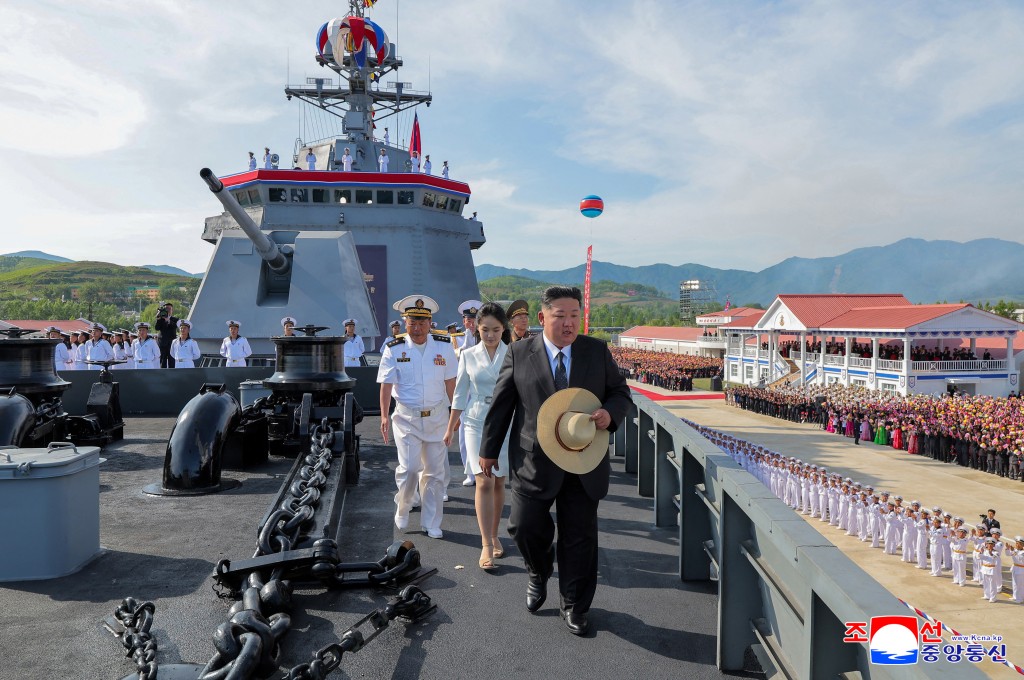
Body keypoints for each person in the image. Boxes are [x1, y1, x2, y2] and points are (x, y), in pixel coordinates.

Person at [479, 286, 632, 636]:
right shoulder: (519, 352)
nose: (569, 323)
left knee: (580, 536)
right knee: (523, 526)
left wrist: (610, 413)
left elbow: (620, 392)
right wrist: (488, 449)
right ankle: (538, 570)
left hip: (583, 458)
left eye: (574, 315)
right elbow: (502, 405)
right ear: (542, 317)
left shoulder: (595, 351)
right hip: (534, 460)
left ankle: (574, 605)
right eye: (560, 315)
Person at [376, 295, 457, 539]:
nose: (417, 328)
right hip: (406, 419)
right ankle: (403, 505)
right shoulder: (394, 348)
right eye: (413, 322)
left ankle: (431, 522)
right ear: (405, 322)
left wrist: (455, 415)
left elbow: (451, 382)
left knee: (434, 474)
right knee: (410, 469)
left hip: (436, 418)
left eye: (422, 323)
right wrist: (383, 416)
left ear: (430, 323)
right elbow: (386, 385)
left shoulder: (444, 346)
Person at [444, 302, 512, 570]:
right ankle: (485, 544)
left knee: (498, 482)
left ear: (503, 329)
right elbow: (460, 393)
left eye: (495, 330)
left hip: (505, 422)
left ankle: (495, 535)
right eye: (485, 330)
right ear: (477, 329)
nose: (490, 335)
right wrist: (451, 426)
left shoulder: (513, 354)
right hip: (475, 422)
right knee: (483, 480)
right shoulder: (468, 355)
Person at [154, 301, 180, 368]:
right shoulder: (161, 319)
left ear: (172, 310)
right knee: (162, 361)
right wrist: (158, 318)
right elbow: (157, 328)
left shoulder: (175, 319)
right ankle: (163, 373)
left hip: (172, 343)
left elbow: (175, 326)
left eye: (169, 309)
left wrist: (168, 320)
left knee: (172, 361)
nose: (168, 310)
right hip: (162, 343)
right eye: (166, 308)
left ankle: (172, 374)